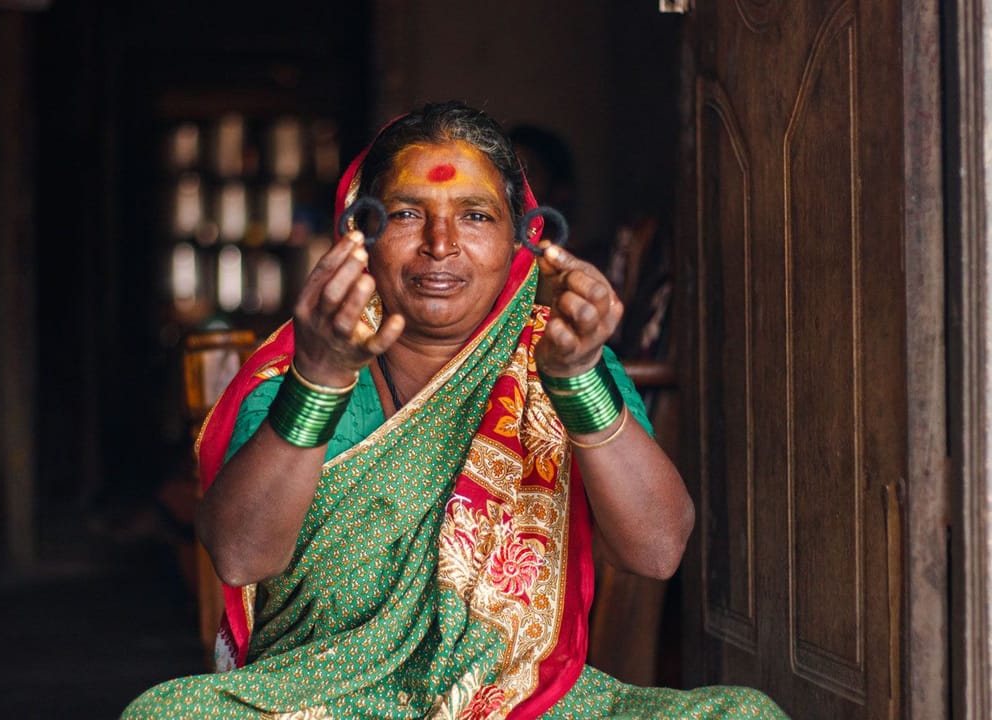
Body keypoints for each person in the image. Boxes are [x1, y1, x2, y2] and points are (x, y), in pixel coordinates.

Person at [122, 101, 786, 718]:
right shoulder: (303, 366)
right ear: (361, 232)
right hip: (318, 700)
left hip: (522, 703)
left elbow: (658, 548)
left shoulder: (558, 352)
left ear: (522, 238)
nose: (441, 245)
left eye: (475, 215)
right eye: (408, 214)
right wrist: (320, 378)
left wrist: (579, 379)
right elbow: (239, 558)